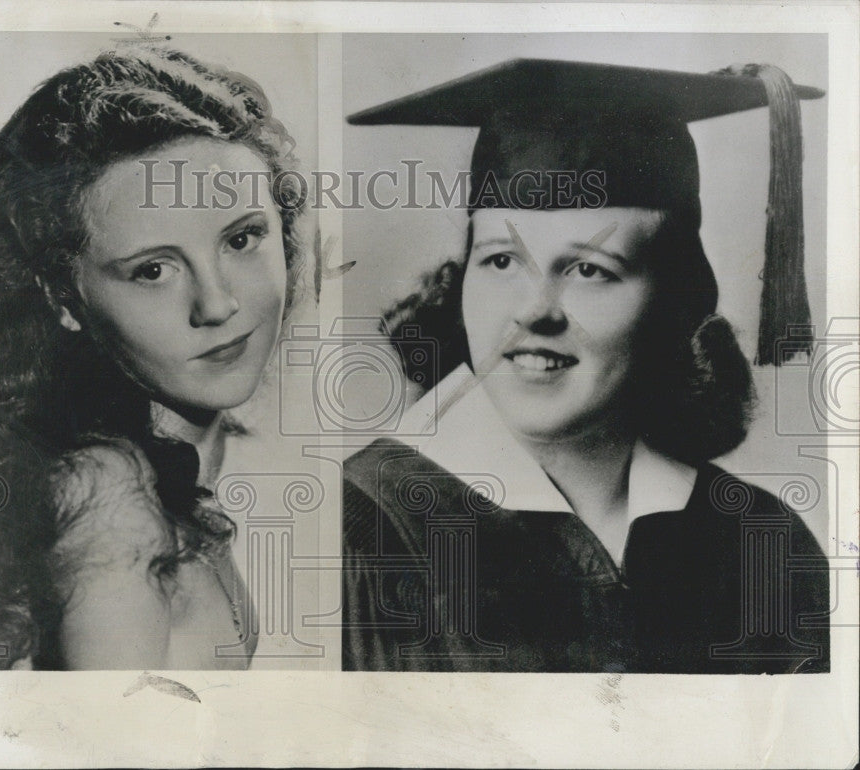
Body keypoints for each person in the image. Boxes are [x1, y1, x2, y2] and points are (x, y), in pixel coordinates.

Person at [341, 59, 830, 673]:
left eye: (589, 270)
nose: (533, 311)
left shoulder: (765, 544)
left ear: (675, 299)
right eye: (500, 261)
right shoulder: (363, 533)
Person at [0, 45, 310, 670]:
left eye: (242, 238)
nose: (218, 303)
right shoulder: (106, 493)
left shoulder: (137, 476)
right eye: (153, 270)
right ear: (63, 298)